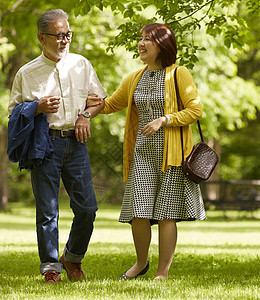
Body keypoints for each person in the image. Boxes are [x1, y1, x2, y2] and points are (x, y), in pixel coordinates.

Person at [87, 23, 206, 280]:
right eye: (140, 39)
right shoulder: (134, 78)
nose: (140, 44)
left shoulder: (179, 74)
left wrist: (165, 120)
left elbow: (195, 110)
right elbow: (111, 104)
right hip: (141, 154)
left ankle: (162, 273)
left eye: (147, 39)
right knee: (138, 212)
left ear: (162, 45)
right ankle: (141, 263)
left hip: (172, 156)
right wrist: (90, 103)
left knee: (166, 214)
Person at [8, 9, 107, 283]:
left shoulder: (81, 64)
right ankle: (51, 267)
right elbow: (12, 112)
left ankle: (72, 258)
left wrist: (86, 115)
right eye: (59, 35)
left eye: (68, 34)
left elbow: (98, 99)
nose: (64, 40)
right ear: (42, 38)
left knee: (87, 208)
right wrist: (36, 107)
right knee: (48, 211)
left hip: (76, 144)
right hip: (44, 145)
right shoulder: (26, 73)